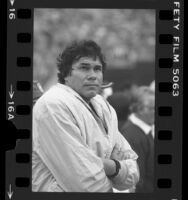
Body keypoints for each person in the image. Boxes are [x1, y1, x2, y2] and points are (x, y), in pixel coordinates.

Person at [32, 40, 139, 192]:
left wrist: (109, 166)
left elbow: (133, 172)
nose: (93, 76)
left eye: (97, 69)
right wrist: (115, 168)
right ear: (66, 74)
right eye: (84, 68)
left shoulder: (103, 105)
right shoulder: (53, 104)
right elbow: (87, 184)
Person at [120, 86, 154, 192]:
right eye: (153, 108)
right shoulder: (132, 136)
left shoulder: (143, 130)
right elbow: (137, 181)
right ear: (139, 109)